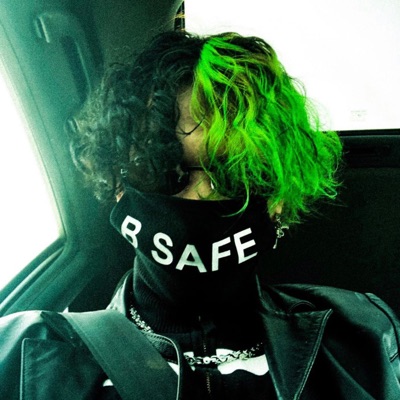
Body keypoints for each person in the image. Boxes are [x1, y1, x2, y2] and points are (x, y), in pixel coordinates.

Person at [0, 30, 399, 399]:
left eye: (234, 174)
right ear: (117, 182)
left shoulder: (363, 336)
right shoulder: (25, 352)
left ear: (279, 195)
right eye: (161, 170)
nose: (200, 196)